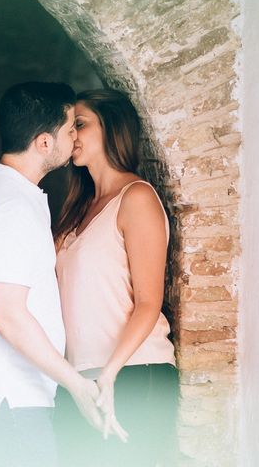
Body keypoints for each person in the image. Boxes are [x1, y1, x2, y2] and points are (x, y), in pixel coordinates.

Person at [0, 82, 118, 467]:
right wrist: (77, 385)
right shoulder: (10, 206)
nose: (75, 138)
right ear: (43, 143)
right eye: (70, 129)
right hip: (4, 402)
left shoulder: (1, 192)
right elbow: (8, 314)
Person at [53, 89, 179, 466]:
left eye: (80, 124)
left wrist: (110, 374)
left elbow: (147, 303)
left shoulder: (136, 197)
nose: (71, 134)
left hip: (133, 373)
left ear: (111, 128)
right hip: (80, 378)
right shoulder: (76, 205)